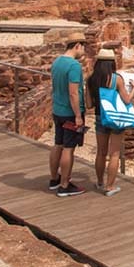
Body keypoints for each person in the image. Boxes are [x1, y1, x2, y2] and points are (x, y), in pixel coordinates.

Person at [86, 48, 134, 196]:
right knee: (114, 154)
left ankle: (100, 182)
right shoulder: (116, 79)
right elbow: (126, 100)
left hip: (100, 117)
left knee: (101, 152)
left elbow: (89, 104)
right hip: (115, 118)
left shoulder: (91, 79)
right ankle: (110, 186)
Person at [48, 33, 86, 197]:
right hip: (69, 112)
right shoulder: (74, 66)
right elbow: (73, 93)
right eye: (83, 46)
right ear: (77, 45)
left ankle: (54, 179)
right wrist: (78, 115)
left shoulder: (57, 62)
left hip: (58, 110)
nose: (83, 50)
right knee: (68, 149)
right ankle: (65, 185)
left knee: (58, 144)